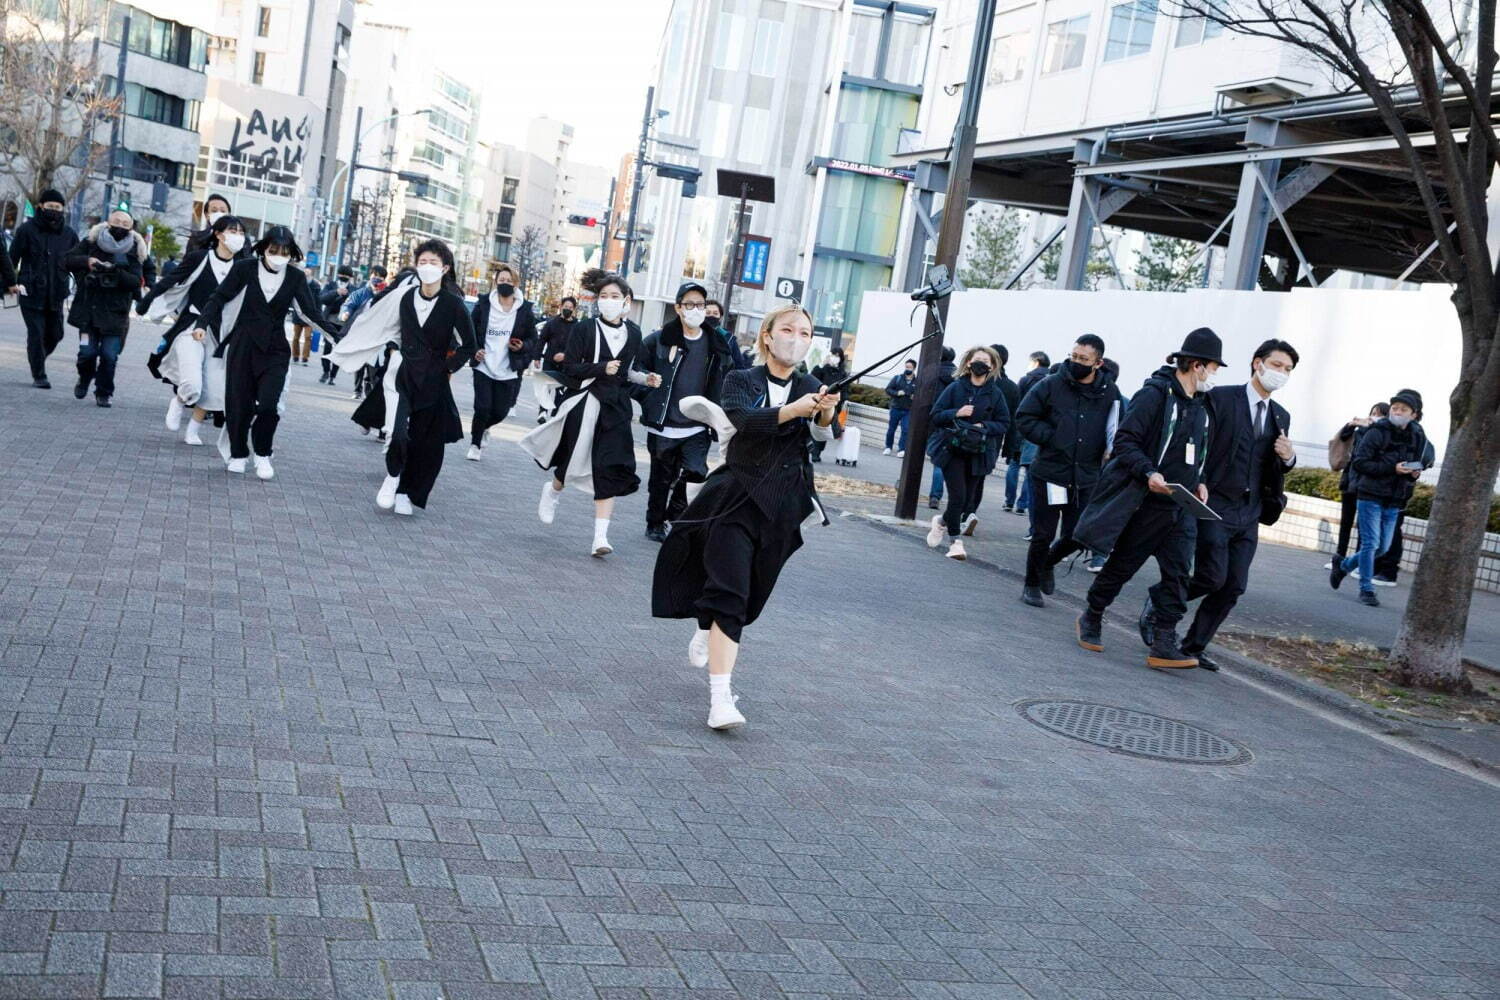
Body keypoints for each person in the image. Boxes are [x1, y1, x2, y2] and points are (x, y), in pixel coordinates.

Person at [651, 304, 837, 730]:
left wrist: (825, 411)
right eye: (787, 329)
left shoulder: (813, 384)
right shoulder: (741, 379)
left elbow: (823, 435)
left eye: (805, 332)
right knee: (731, 595)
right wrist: (794, 410)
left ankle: (707, 623)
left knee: (749, 597)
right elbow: (743, 421)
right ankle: (721, 700)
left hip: (783, 506)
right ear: (768, 336)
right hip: (734, 497)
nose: (796, 337)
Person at [1072, 327, 1220, 669]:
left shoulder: (1201, 405)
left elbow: (1198, 453)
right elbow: (1125, 441)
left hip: (1182, 506)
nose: (1213, 376)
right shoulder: (1155, 395)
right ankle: (1092, 614)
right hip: (1146, 500)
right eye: (1213, 368)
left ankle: (1164, 638)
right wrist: (1149, 472)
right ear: (1196, 365)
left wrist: (1201, 481)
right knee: (1123, 564)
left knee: (1179, 573)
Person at [1177, 339, 1299, 669]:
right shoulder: (1220, 398)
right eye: (1276, 365)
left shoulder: (1280, 415)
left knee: (1233, 586)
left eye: (1287, 370)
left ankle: (1193, 646)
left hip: (1251, 510)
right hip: (1215, 501)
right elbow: (1198, 441)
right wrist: (1197, 477)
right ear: (1257, 363)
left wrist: (1289, 458)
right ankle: (1163, 602)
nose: (1281, 373)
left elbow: (1276, 462)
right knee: (1211, 577)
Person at [519, 270, 657, 556]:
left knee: (609, 467)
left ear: (626, 301)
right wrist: (600, 368)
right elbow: (569, 367)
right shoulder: (584, 329)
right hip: (586, 401)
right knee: (573, 460)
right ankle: (554, 490)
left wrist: (646, 379)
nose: (608, 301)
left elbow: (628, 370)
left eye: (614, 296)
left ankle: (600, 538)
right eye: (603, 296)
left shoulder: (634, 332)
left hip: (617, 407)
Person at [332, 242, 476, 515]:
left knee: (425, 442)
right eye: (422, 261)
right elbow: (377, 321)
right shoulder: (404, 296)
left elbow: (469, 344)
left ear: (445, 268)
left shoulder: (454, 304)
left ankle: (407, 493)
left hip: (434, 378)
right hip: (402, 372)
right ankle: (392, 475)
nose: (427, 267)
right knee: (397, 431)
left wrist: (448, 368)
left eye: (434, 262)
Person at [192, 226, 338, 480]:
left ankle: (262, 454)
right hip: (243, 346)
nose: (278, 256)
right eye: (273, 250)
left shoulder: (295, 277)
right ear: (263, 248)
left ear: (291, 253)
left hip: (275, 350)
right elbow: (219, 297)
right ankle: (238, 454)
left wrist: (336, 336)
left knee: (270, 405)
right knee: (238, 405)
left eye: (284, 252)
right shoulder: (245, 269)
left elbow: (309, 312)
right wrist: (202, 323)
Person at [1014, 334, 1116, 607]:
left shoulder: (1109, 393)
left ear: (1098, 363)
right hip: (1050, 473)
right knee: (1043, 533)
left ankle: (1047, 563)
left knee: (1077, 535)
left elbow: (1118, 426)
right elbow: (1024, 417)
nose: (1076, 362)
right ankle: (1031, 583)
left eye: (1083, 359)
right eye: (1073, 357)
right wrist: (1052, 436)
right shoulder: (1052, 384)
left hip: (1085, 477)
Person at [138, 213, 251, 444]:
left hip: (221, 335)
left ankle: (193, 429)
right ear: (219, 234)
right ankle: (179, 401)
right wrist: (146, 300)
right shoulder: (200, 258)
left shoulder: (242, 268)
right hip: (191, 327)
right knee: (192, 382)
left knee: (213, 387)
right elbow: (171, 279)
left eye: (241, 233)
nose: (237, 237)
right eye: (232, 231)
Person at [636, 281, 735, 541]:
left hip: (697, 424)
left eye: (700, 304)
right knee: (661, 478)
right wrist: (648, 395)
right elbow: (634, 370)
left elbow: (729, 375)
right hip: (664, 423)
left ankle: (676, 513)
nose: (695, 309)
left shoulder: (716, 343)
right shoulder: (659, 339)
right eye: (689, 304)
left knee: (696, 472)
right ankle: (654, 523)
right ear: (678, 308)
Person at [1330, 389, 1432, 606]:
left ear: (1413, 414)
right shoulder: (1377, 431)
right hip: (1370, 495)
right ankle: (1366, 589)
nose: (1397, 412)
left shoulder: (1417, 435)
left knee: (1383, 548)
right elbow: (1359, 462)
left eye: (1403, 409)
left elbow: (1418, 461)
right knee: (1370, 544)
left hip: (1395, 499)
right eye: (1394, 408)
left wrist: (1413, 473)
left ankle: (1344, 566)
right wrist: (1392, 468)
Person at [923, 346, 1010, 562]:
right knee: (957, 497)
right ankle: (955, 542)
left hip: (978, 452)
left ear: (992, 366)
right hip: (952, 449)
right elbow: (936, 415)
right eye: (976, 359)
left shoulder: (996, 394)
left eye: (985, 361)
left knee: (966, 501)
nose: (980, 364)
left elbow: (1004, 423)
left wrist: (984, 426)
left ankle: (942, 522)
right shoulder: (955, 388)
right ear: (968, 363)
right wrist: (957, 413)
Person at [65, 209, 146, 408]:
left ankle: (104, 392)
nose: (120, 226)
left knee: (110, 356)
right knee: (86, 353)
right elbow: (66, 260)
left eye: (125, 224)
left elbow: (136, 281)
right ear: (107, 222)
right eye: (116, 221)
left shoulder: (135, 249)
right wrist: (87, 261)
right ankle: (84, 378)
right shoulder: (91, 242)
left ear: (131, 228)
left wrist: (116, 272)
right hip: (88, 312)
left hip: (116, 315)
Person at [6, 189, 78, 388]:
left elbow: (75, 261)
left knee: (56, 334)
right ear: (41, 207)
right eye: (50, 207)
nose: (54, 210)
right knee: (36, 333)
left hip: (57, 292)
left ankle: (36, 357)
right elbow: (11, 260)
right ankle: (39, 374)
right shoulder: (26, 230)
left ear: (63, 209)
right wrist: (7, 289)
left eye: (57, 207)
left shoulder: (69, 234)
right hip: (29, 290)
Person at [467, 263, 537, 459]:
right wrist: (475, 351)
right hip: (484, 365)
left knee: (500, 411)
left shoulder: (524, 310)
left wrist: (521, 346)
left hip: (508, 368)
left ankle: (484, 428)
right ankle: (475, 444)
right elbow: (470, 331)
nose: (504, 283)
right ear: (496, 282)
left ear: (515, 284)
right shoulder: (483, 305)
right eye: (501, 280)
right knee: (482, 407)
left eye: (508, 281)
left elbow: (533, 339)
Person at [1329, 403, 1389, 566]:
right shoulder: (1360, 430)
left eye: (1379, 414)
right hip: (1350, 481)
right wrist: (1353, 423)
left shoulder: (1382, 434)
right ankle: (1338, 558)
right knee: (1345, 523)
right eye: (1373, 412)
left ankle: (1356, 562)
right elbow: (1343, 437)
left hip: (1368, 485)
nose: (1374, 416)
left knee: (1364, 527)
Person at [341, 265, 388, 398]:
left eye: (380, 277)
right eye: (375, 276)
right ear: (370, 276)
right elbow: (349, 304)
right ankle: (357, 390)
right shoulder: (361, 292)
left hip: (377, 335)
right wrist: (346, 312)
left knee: (373, 365)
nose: (377, 279)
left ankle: (369, 390)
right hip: (360, 333)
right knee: (359, 363)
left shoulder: (386, 294)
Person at [533, 294, 577, 421]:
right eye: (565, 306)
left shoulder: (577, 327)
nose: (567, 309)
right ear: (561, 307)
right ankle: (542, 412)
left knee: (560, 390)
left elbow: (578, 346)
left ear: (574, 309)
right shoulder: (551, 323)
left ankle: (555, 415)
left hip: (566, 363)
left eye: (570, 307)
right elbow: (541, 340)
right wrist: (536, 357)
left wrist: (566, 356)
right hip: (549, 360)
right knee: (545, 387)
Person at [990, 344, 1023, 511]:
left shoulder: (979, 380)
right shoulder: (1011, 387)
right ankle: (969, 512)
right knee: (978, 478)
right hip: (994, 440)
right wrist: (1009, 449)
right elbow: (1012, 421)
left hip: (970, 435)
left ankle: (965, 512)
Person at [927, 346, 957, 509]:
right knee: (940, 462)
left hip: (931, 421)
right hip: (951, 423)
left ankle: (909, 488)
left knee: (925, 457)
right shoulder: (958, 377)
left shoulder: (931, 373)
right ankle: (936, 496)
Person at [809, 348, 847, 462]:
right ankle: (814, 452)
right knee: (817, 425)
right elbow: (813, 380)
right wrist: (821, 365)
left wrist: (843, 403)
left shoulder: (842, 373)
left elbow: (844, 390)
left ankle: (817, 451)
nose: (835, 357)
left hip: (834, 405)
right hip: (819, 402)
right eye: (833, 355)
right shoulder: (822, 369)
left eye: (837, 355)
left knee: (825, 429)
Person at [705, 297, 752, 370]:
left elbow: (739, 366)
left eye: (715, 313)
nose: (712, 316)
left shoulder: (729, 339)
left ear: (720, 317)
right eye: (707, 313)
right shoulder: (693, 335)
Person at [883, 359, 917, 455]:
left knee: (905, 430)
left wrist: (915, 397)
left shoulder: (917, 381)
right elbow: (888, 389)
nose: (907, 369)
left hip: (908, 410)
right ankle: (888, 447)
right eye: (906, 367)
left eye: (910, 367)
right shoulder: (897, 378)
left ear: (914, 368)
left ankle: (901, 449)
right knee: (891, 429)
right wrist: (897, 393)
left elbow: (920, 395)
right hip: (896, 408)